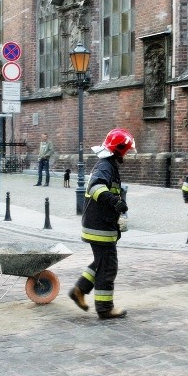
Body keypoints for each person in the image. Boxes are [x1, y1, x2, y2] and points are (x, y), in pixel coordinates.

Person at [68, 128, 135, 320]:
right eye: (127, 150)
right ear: (119, 149)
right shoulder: (106, 166)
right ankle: (105, 308)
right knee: (108, 266)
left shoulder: (108, 164)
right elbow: (95, 187)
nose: (127, 154)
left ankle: (79, 290)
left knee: (101, 262)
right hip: (99, 227)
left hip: (99, 224)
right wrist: (115, 201)